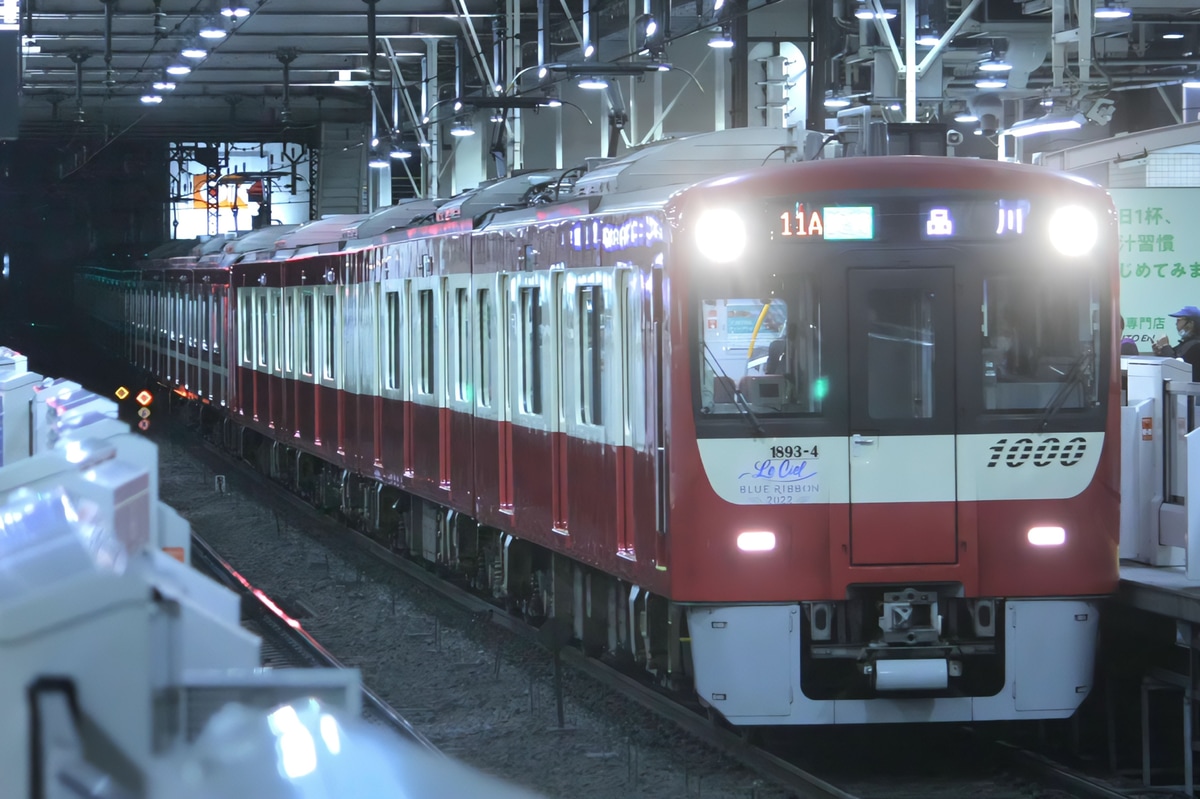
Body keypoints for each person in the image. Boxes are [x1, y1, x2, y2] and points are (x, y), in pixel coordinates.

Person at [1152, 306, 1200, 380]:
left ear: (1190, 323)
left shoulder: (1196, 346)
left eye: (1179, 320)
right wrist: (1160, 352)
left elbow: (1177, 368)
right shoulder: (1185, 344)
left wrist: (1165, 346)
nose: (1176, 324)